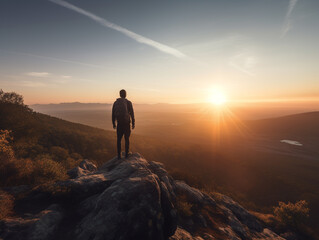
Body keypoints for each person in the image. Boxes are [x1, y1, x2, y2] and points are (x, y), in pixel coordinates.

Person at [112, 89, 135, 159]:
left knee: (119, 140)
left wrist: (114, 123)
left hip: (119, 123)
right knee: (126, 139)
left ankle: (119, 155)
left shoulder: (116, 103)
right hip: (126, 123)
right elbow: (132, 113)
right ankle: (126, 155)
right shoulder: (128, 102)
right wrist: (133, 122)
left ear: (119, 94)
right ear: (125, 94)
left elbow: (113, 114)